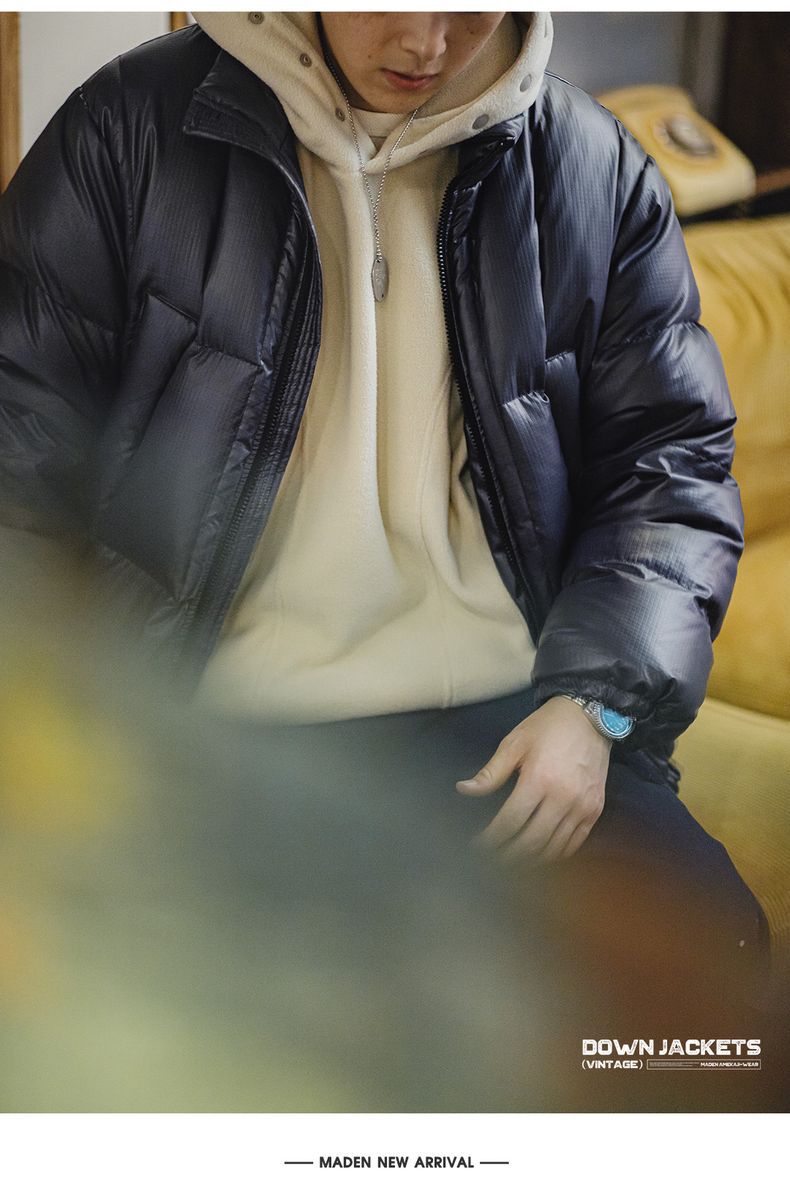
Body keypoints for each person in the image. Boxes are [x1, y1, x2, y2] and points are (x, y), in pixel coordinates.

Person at [0, 13, 769, 1020]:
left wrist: (597, 710)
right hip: (212, 722)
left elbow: (670, 471)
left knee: (724, 985)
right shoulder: (130, 127)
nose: (425, 42)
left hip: (519, 713)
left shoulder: (595, 168)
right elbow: (19, 453)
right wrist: (76, 734)